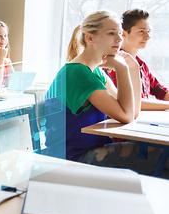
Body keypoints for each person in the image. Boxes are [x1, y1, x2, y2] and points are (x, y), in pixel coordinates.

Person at [44, 10, 160, 174]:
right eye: (112, 33)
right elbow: (126, 115)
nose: (119, 39)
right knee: (162, 157)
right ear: (90, 38)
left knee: (160, 155)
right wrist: (122, 68)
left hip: (89, 151)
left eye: (120, 33)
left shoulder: (94, 71)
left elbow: (132, 111)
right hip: (73, 160)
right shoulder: (79, 73)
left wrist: (132, 67)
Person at [106, 9, 169, 110]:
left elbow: (160, 90)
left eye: (148, 32)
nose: (147, 36)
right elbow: (131, 103)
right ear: (123, 34)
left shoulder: (141, 64)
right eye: (141, 31)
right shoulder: (114, 63)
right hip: (123, 122)